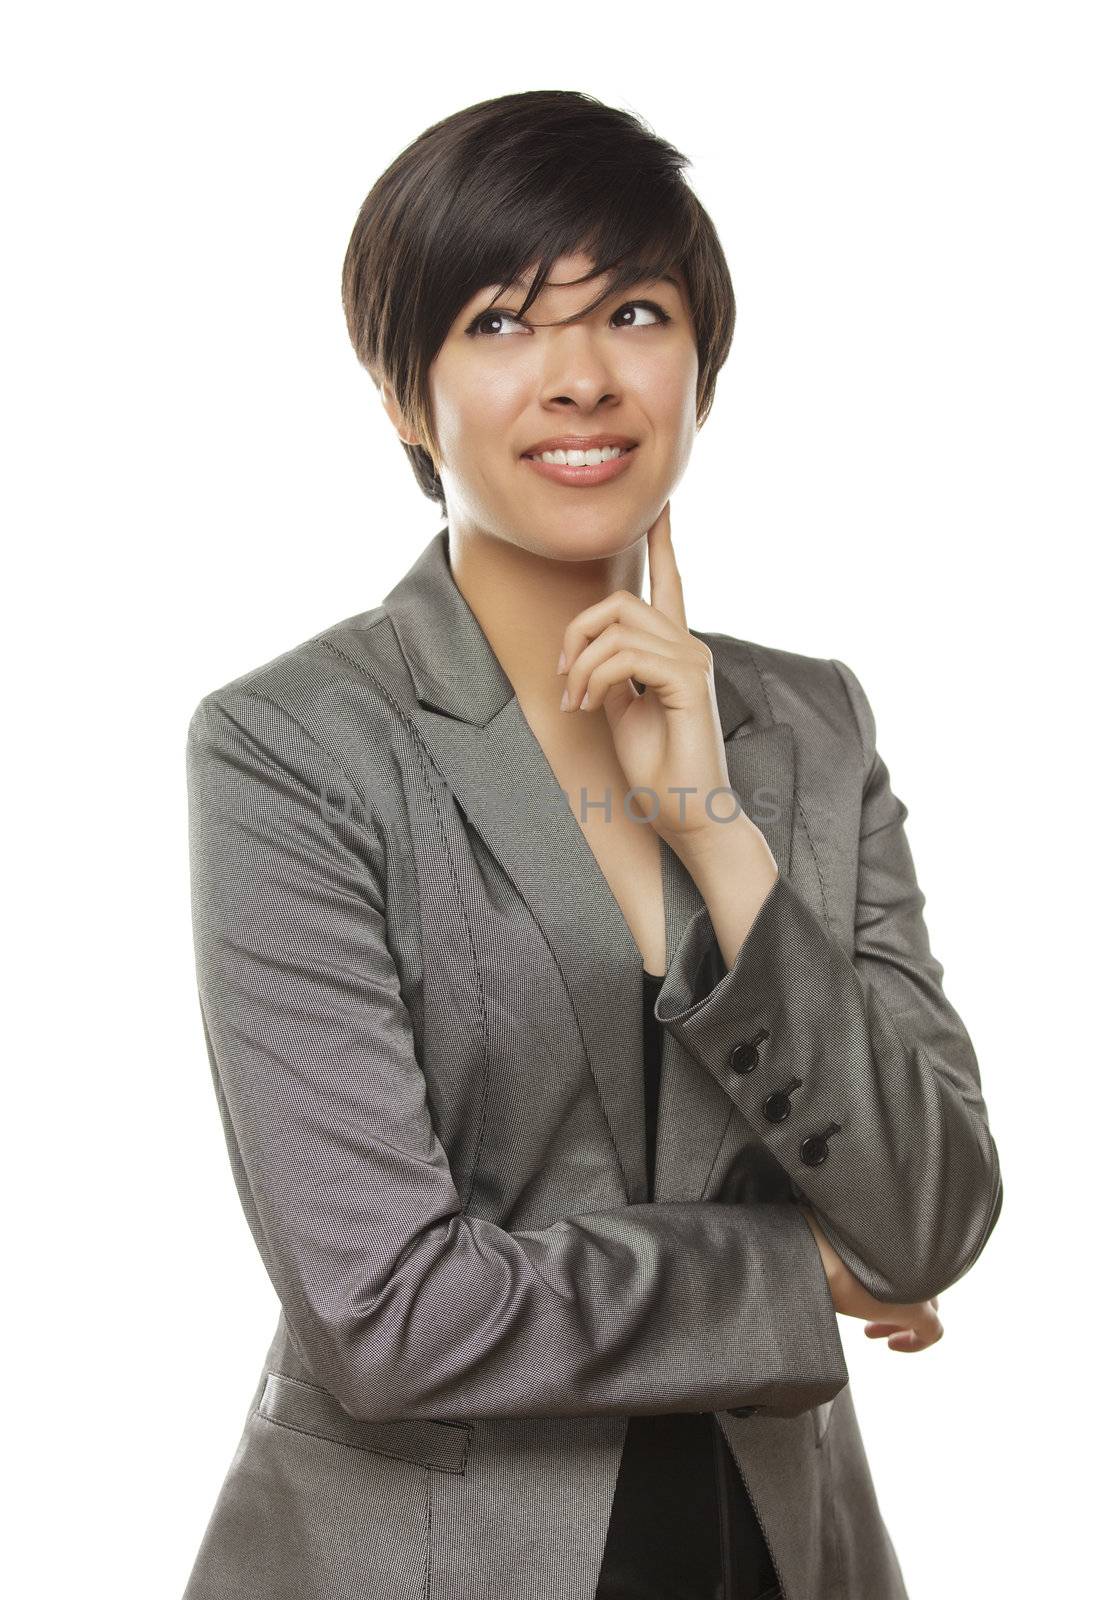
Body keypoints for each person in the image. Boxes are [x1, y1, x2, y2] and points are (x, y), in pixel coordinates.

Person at [182, 90, 1003, 1600]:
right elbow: (388, 1310)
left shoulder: (805, 726)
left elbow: (936, 1210)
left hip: (778, 1551)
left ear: (701, 366)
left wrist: (713, 830)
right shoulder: (292, 746)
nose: (577, 379)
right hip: (426, 1562)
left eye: (631, 311)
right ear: (400, 394)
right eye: (500, 322)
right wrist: (794, 1274)